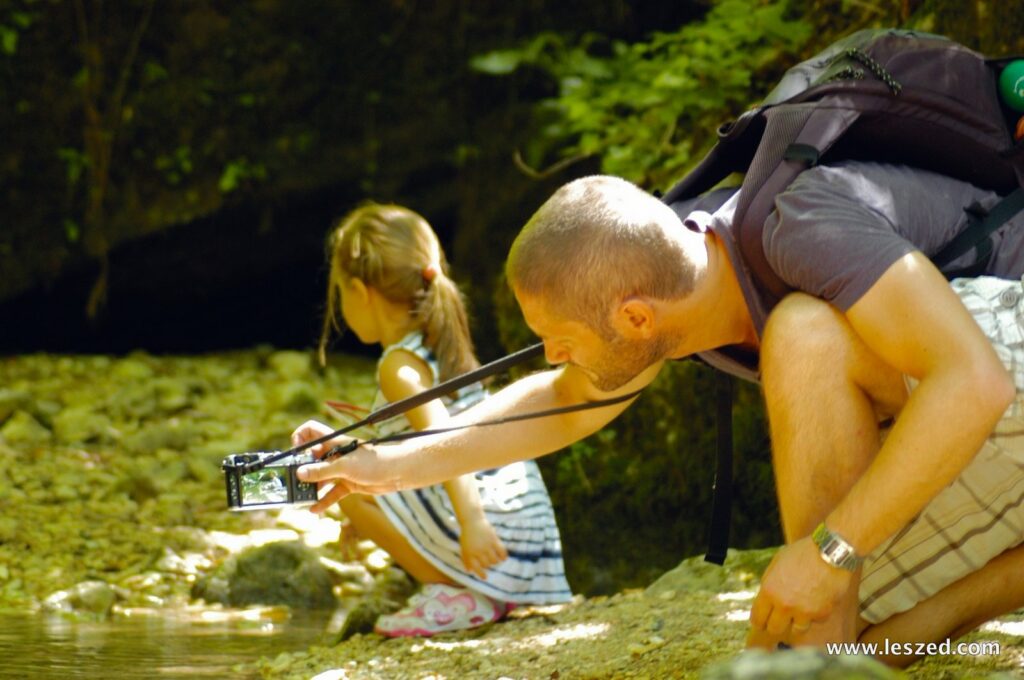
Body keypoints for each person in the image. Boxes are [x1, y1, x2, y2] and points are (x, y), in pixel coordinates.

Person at [293, 162, 1024, 665]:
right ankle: (906, 632)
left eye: (562, 341)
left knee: (803, 337)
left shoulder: (802, 222)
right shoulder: (680, 263)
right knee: (829, 631)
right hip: (972, 429)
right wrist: (380, 466)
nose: (551, 357)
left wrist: (830, 552)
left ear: (636, 318)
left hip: (989, 367)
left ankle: (827, 658)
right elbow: (567, 402)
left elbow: (973, 382)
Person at [295, 203, 572, 637]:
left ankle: (455, 593)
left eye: (340, 293)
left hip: (493, 528)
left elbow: (448, 439)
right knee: (366, 479)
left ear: (360, 291)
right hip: (527, 527)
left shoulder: (398, 367)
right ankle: (478, 586)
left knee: (340, 481)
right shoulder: (438, 345)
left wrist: (473, 525)